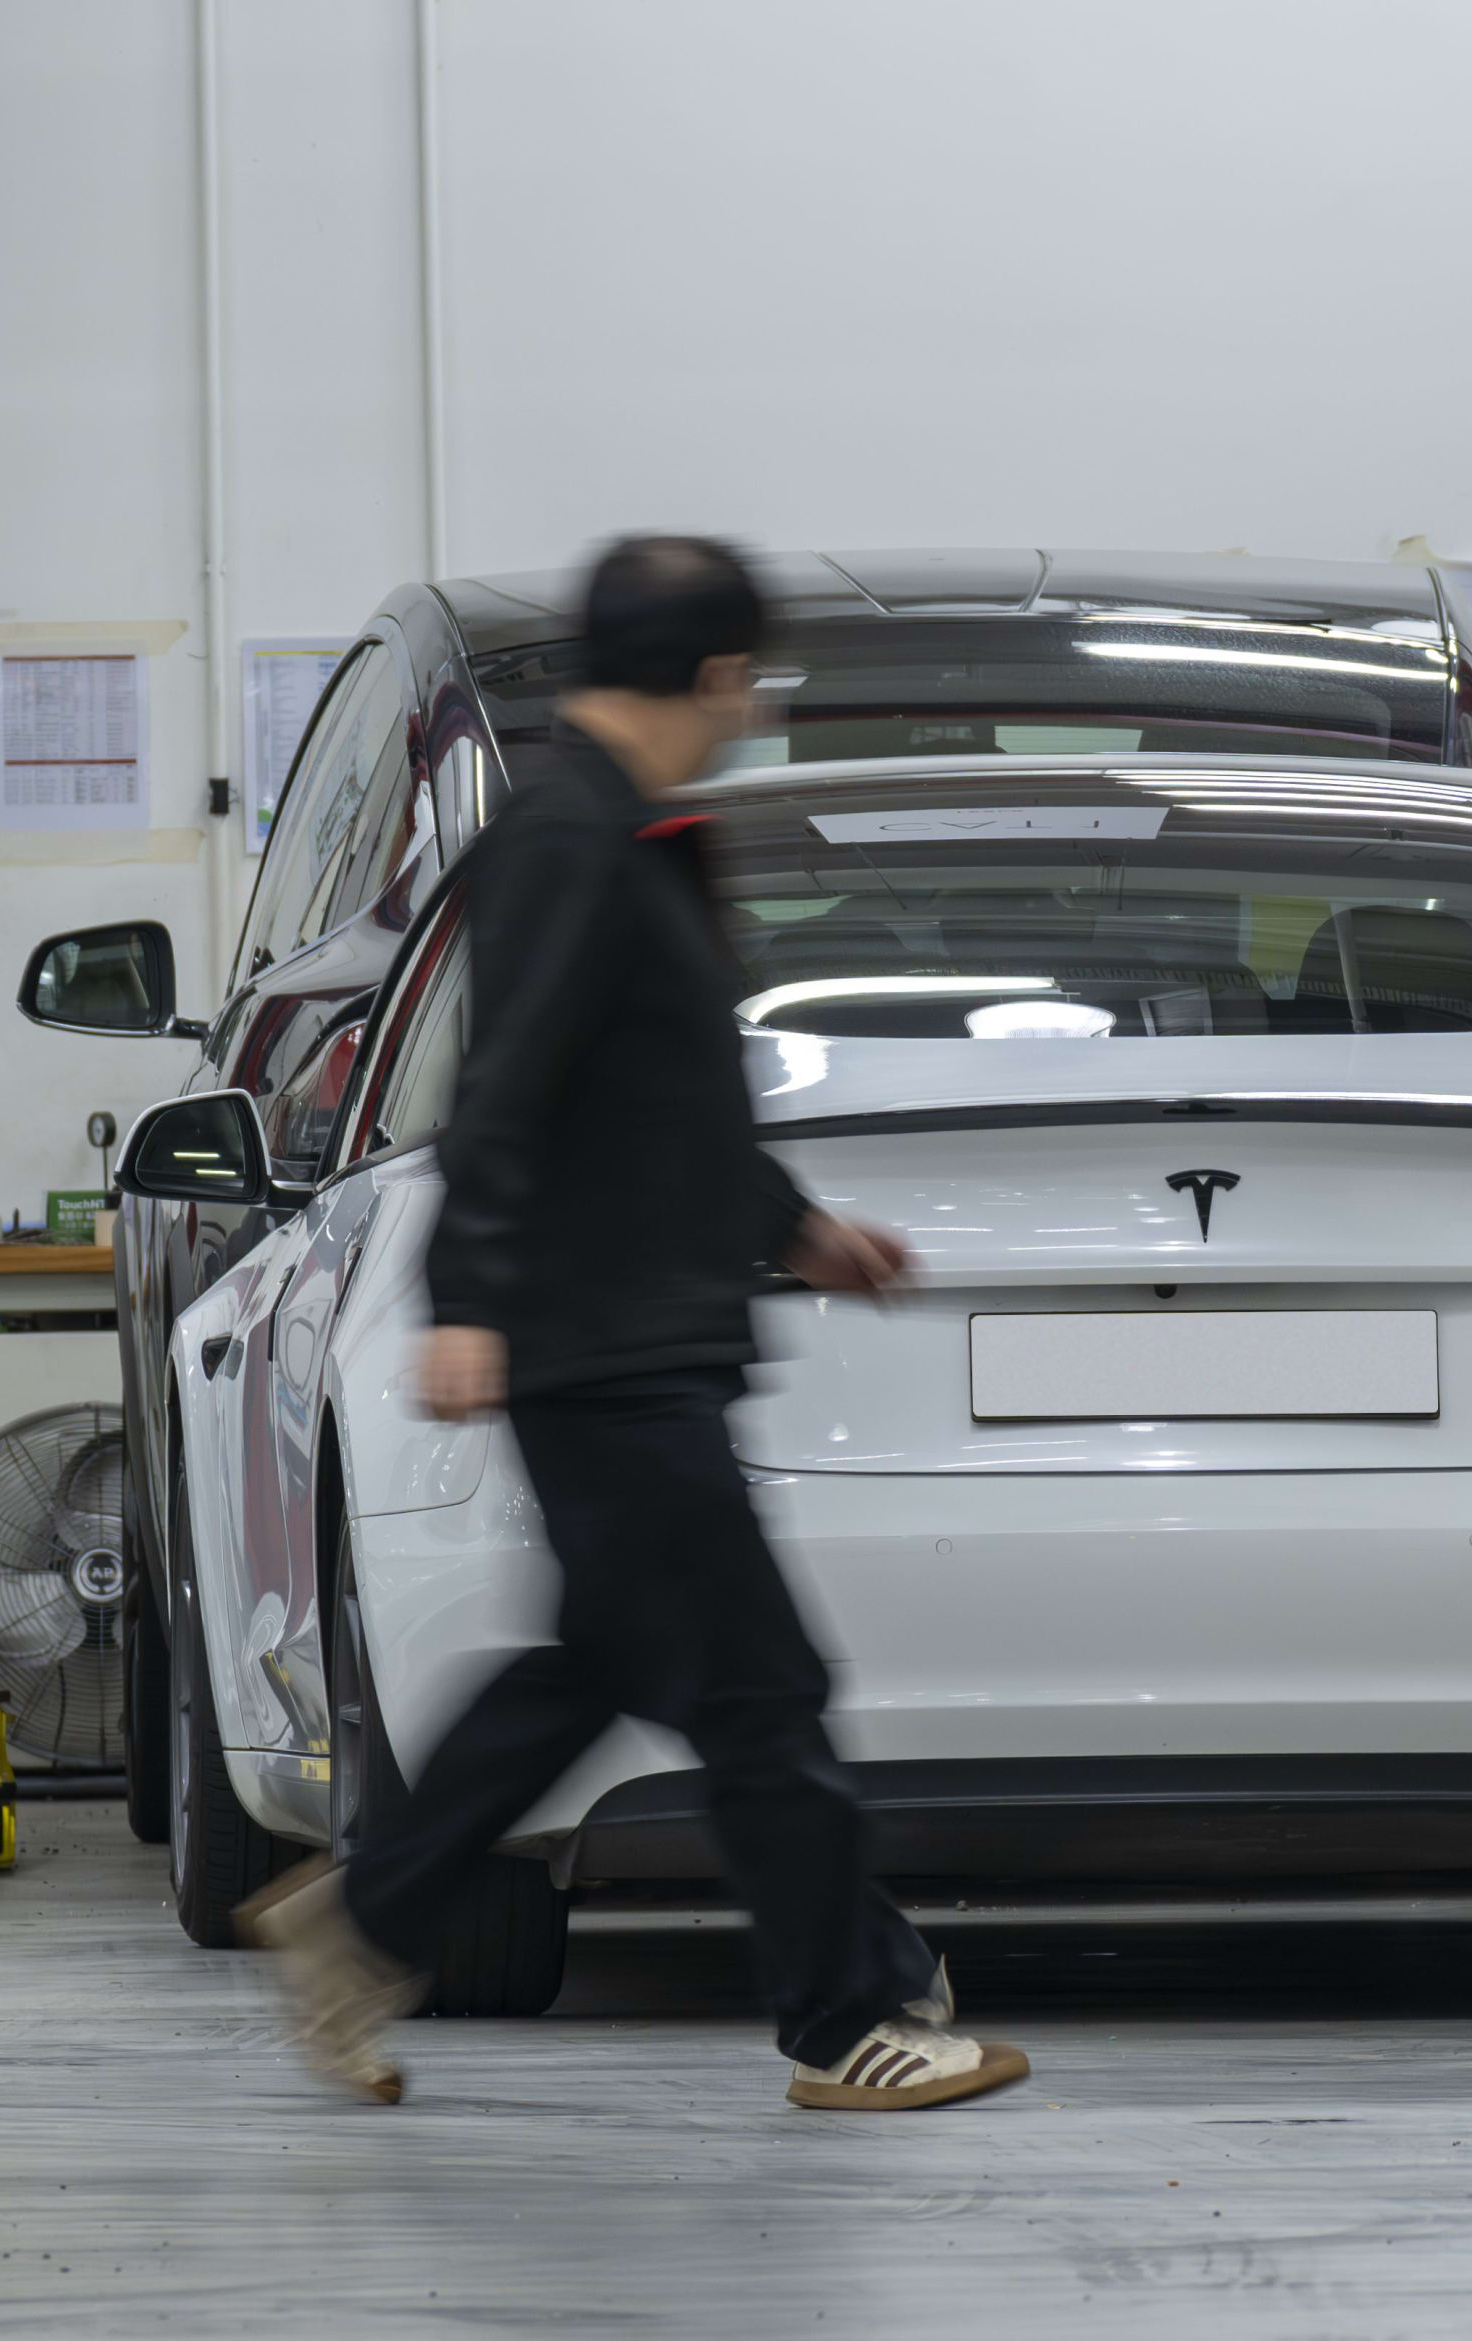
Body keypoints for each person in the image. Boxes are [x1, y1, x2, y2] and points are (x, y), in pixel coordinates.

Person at [247, 535, 1029, 2110]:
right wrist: (469, 1302)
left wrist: (795, 1229)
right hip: (602, 1352)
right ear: (720, 675)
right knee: (760, 1692)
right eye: (754, 679)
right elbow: (506, 1089)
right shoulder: (569, 844)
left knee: (601, 1661)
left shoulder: (632, 837)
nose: (756, 706)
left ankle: (367, 1916)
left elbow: (659, 1097)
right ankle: (847, 2016)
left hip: (641, 1333)